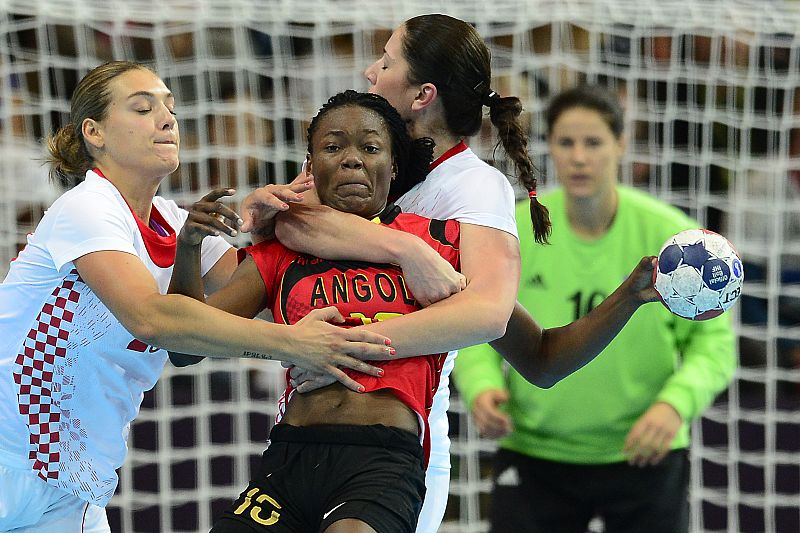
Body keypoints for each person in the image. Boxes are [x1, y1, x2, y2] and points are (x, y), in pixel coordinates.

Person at [239, 15, 668, 533]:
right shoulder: (361, 160)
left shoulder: (471, 188)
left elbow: (490, 316)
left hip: (396, 450)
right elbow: (296, 223)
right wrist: (403, 249)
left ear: (422, 95)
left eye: (387, 60)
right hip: (303, 434)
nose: (371, 71)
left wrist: (344, 345)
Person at [0, 62, 392, 533]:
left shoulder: (174, 223)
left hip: (73, 484)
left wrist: (276, 226)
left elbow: (270, 292)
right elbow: (152, 318)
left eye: (169, 107)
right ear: (94, 132)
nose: (166, 119)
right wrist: (291, 343)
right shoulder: (88, 207)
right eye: (142, 108)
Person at [169, 90, 459, 533]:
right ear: (310, 167)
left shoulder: (437, 243)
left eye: (370, 147)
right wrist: (187, 248)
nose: (351, 159)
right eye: (332, 146)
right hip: (291, 456)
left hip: (382, 459)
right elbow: (185, 348)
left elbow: (496, 318)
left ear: (394, 166)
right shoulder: (280, 249)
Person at [453, 84, 737, 533]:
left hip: (644, 451)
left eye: (593, 142)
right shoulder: (517, 230)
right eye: (566, 143)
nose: (579, 157)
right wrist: (481, 385)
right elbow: (478, 318)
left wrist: (675, 405)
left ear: (621, 144)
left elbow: (715, 344)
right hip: (535, 454)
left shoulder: (674, 239)